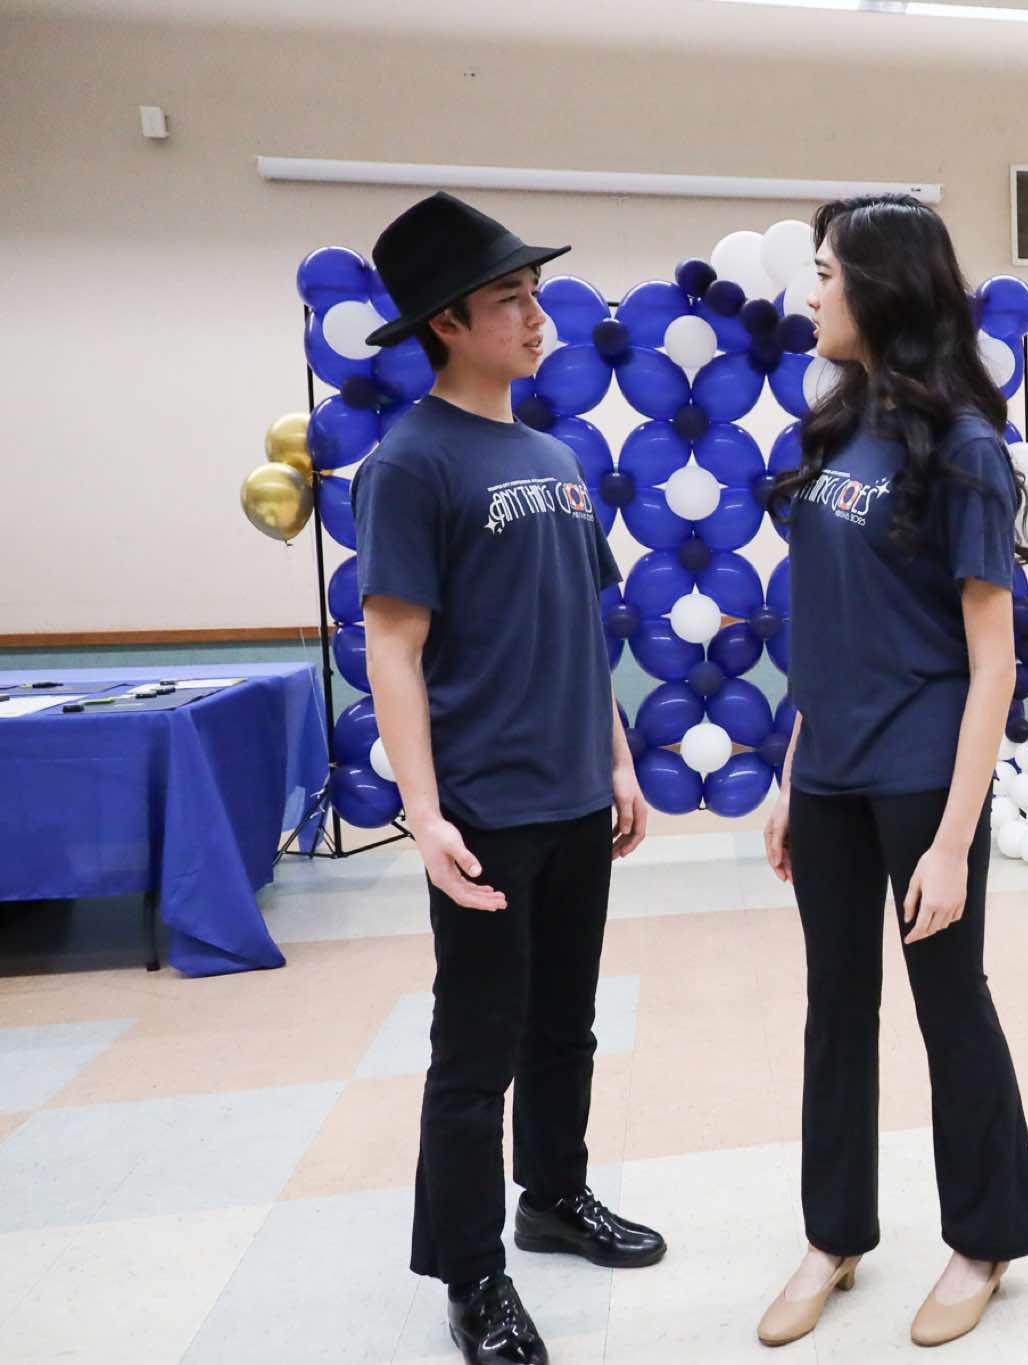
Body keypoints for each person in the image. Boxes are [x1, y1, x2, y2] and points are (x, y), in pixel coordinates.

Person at [355, 192, 664, 1365]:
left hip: (575, 796)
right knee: (475, 1049)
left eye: (535, 295)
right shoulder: (410, 462)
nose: (538, 318)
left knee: (565, 1024)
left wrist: (617, 757)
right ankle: (471, 1274)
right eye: (510, 300)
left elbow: (582, 623)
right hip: (484, 806)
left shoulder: (556, 458)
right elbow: (393, 646)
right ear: (446, 322)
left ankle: (553, 1197)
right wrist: (424, 812)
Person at [756, 194, 1028, 1350]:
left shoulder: (965, 450)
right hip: (830, 772)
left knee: (948, 1006)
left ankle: (985, 1236)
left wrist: (951, 844)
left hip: (925, 775)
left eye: (827, 272)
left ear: (882, 289)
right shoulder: (832, 431)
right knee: (834, 1009)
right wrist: (792, 771)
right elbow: (825, 628)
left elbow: (993, 663)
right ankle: (832, 1234)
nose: (812, 291)